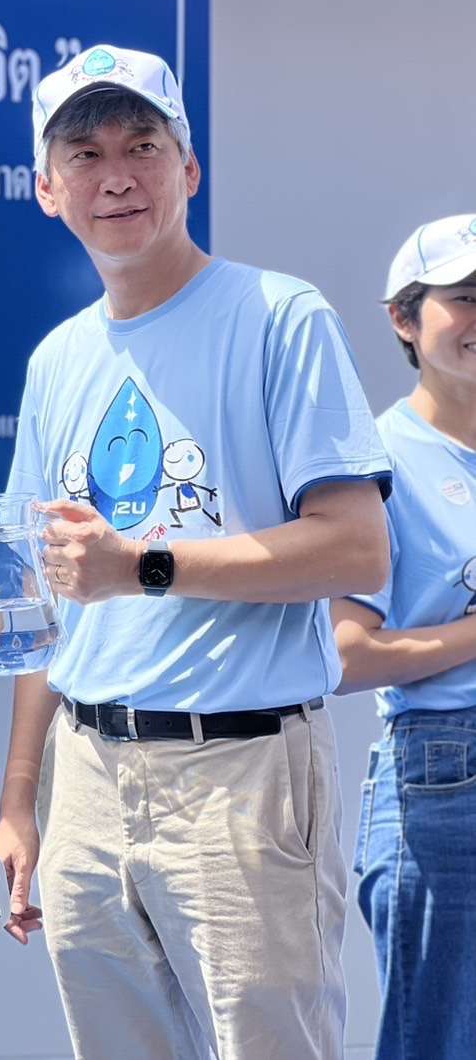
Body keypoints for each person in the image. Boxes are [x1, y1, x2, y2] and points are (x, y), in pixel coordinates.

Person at [0, 44, 392, 1058]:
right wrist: (21, 800)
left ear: (189, 168)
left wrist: (145, 568)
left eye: (142, 145)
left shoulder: (278, 316)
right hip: (86, 772)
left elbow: (357, 550)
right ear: (47, 189)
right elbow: (46, 595)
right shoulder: (57, 359)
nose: (116, 175)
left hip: (241, 770)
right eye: (84, 154)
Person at [332, 214, 476, 1060]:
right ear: (402, 318)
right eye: (466, 297)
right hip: (446, 772)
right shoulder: (377, 459)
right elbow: (346, 656)